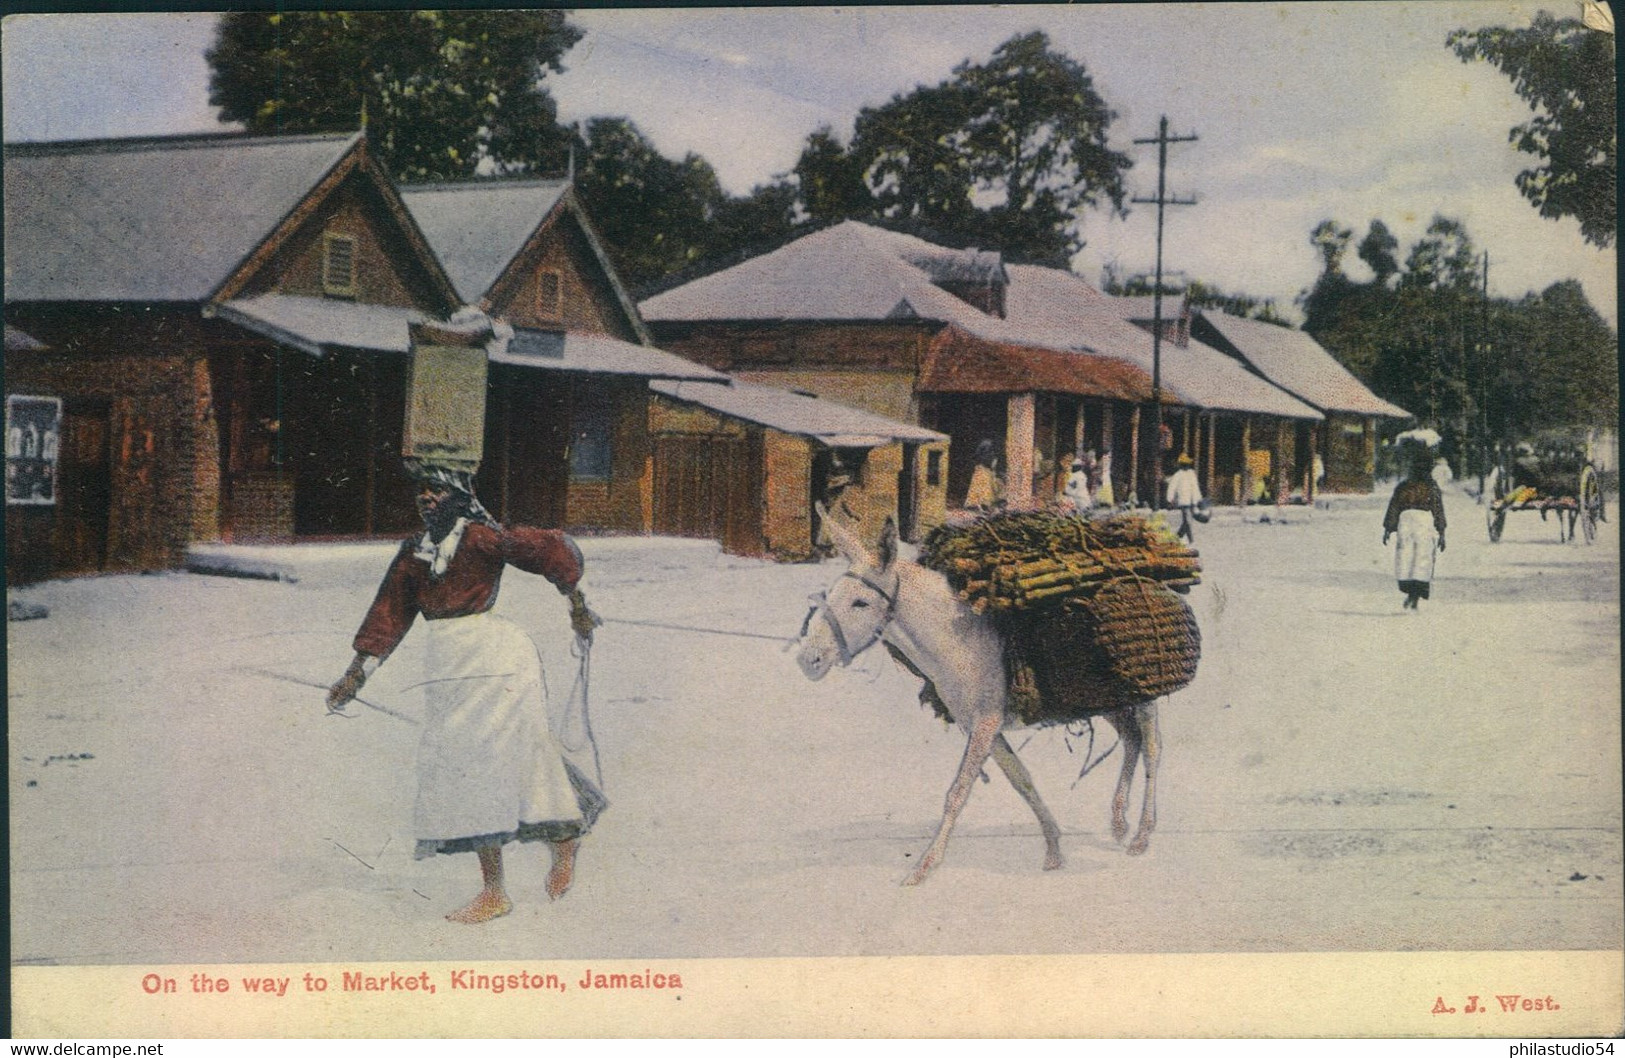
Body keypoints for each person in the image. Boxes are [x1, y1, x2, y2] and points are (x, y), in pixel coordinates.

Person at [327, 461, 606, 924]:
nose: (427, 498)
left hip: (498, 661)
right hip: (449, 667)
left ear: (459, 497)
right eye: (422, 490)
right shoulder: (414, 552)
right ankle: (496, 889)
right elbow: (389, 614)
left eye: (437, 490)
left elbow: (551, 553)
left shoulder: (481, 537)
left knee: (511, 761)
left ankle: (558, 849)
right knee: (463, 772)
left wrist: (578, 606)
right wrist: (355, 675)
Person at [1383, 443, 1447, 611]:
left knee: (1406, 557)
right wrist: (1441, 532)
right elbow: (1438, 510)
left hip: (1406, 522)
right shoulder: (1432, 487)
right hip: (1424, 521)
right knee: (1422, 558)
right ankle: (1415, 595)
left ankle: (1409, 591)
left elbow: (1394, 507)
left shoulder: (1403, 486)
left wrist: (1388, 529)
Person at [1164, 452, 1203, 541]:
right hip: (1183, 500)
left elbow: (1195, 487)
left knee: (1187, 521)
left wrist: (1198, 498)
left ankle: (1178, 536)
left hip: (1192, 500)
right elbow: (1172, 487)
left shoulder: (1192, 474)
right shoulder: (1178, 475)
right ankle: (1191, 539)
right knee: (1187, 521)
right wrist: (1169, 499)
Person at [964, 439, 1001, 510]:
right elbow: (986, 461)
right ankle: (979, 503)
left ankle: (982, 503)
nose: (991, 452)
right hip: (983, 470)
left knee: (993, 484)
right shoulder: (982, 463)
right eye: (989, 450)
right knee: (983, 484)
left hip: (987, 471)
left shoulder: (992, 456)